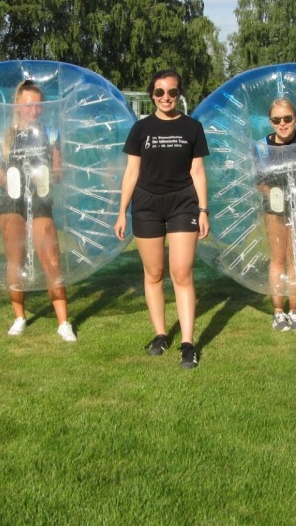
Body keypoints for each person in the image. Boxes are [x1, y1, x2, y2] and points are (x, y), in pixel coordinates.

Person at [114, 69, 209, 369]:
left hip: (183, 204)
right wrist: (122, 211)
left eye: (172, 92)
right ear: (152, 95)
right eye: (159, 92)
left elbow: (197, 172)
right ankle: (160, 334)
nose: (165, 97)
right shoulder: (140, 129)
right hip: (146, 206)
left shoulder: (192, 128)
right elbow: (131, 172)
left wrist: (203, 210)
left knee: (181, 273)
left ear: (179, 94)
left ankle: (188, 344)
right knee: (153, 273)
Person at [0, 80, 75, 342]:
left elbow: (59, 172)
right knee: (15, 260)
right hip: (11, 201)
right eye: (28, 105)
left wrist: (54, 172)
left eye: (38, 106)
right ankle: (19, 317)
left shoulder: (50, 134)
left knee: (51, 259)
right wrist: (5, 177)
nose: (34, 110)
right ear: (17, 105)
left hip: (41, 200)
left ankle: (63, 322)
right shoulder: (4, 137)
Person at [255, 98, 296, 331]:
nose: (282, 124)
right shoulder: (262, 147)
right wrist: (272, 194)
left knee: (295, 257)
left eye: (287, 118)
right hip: (274, 207)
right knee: (278, 257)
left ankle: (294, 311)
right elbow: (259, 181)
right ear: (270, 122)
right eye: (276, 120)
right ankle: (278, 312)